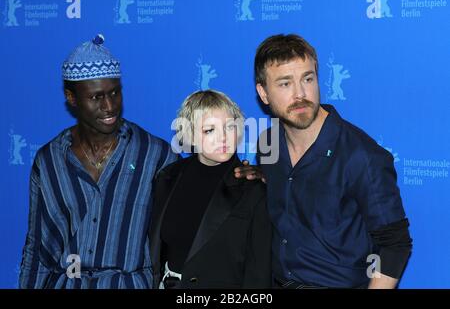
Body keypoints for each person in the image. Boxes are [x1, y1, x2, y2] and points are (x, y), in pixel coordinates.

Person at [252, 34, 412, 289]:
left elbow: (395, 245)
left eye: (308, 79)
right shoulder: (267, 143)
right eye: (285, 84)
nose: (300, 94)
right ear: (263, 93)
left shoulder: (362, 156)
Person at [19, 34, 178, 289]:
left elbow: (184, 230)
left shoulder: (156, 155)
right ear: (72, 98)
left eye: (115, 93)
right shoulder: (49, 161)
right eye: (96, 97)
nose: (109, 106)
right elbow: (38, 249)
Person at [149, 90, 272, 289]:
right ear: (190, 135)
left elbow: (259, 273)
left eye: (229, 127)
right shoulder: (167, 178)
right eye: (209, 130)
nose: (223, 138)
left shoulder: (254, 187)